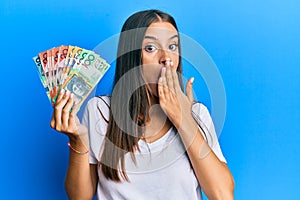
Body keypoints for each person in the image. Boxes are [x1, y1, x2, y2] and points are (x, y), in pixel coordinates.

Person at [50, 9, 234, 200]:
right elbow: (80, 197)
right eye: (150, 48)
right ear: (132, 57)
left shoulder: (196, 114)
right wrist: (78, 141)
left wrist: (183, 120)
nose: (166, 57)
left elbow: (222, 195)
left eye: (172, 46)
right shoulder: (99, 111)